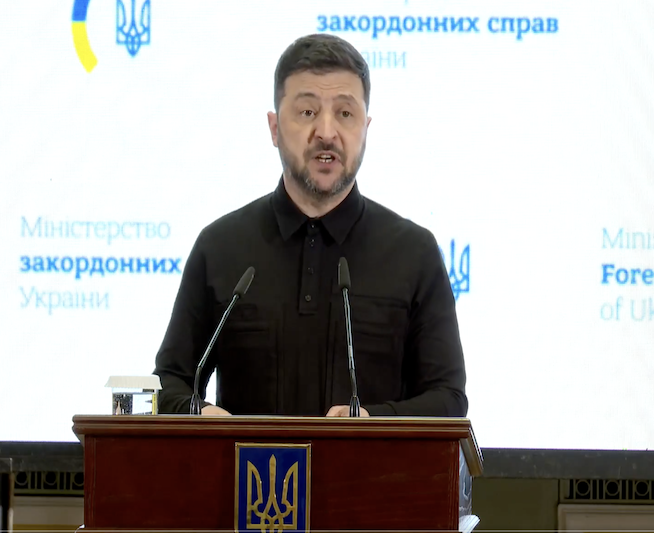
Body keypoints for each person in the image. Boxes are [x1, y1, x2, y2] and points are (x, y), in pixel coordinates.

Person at [153, 33, 467, 418]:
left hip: (371, 460)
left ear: (366, 128)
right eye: (307, 112)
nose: (327, 132)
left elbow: (448, 399)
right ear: (274, 128)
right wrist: (198, 414)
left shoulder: (413, 253)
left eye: (345, 114)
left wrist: (374, 422)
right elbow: (169, 382)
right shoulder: (220, 247)